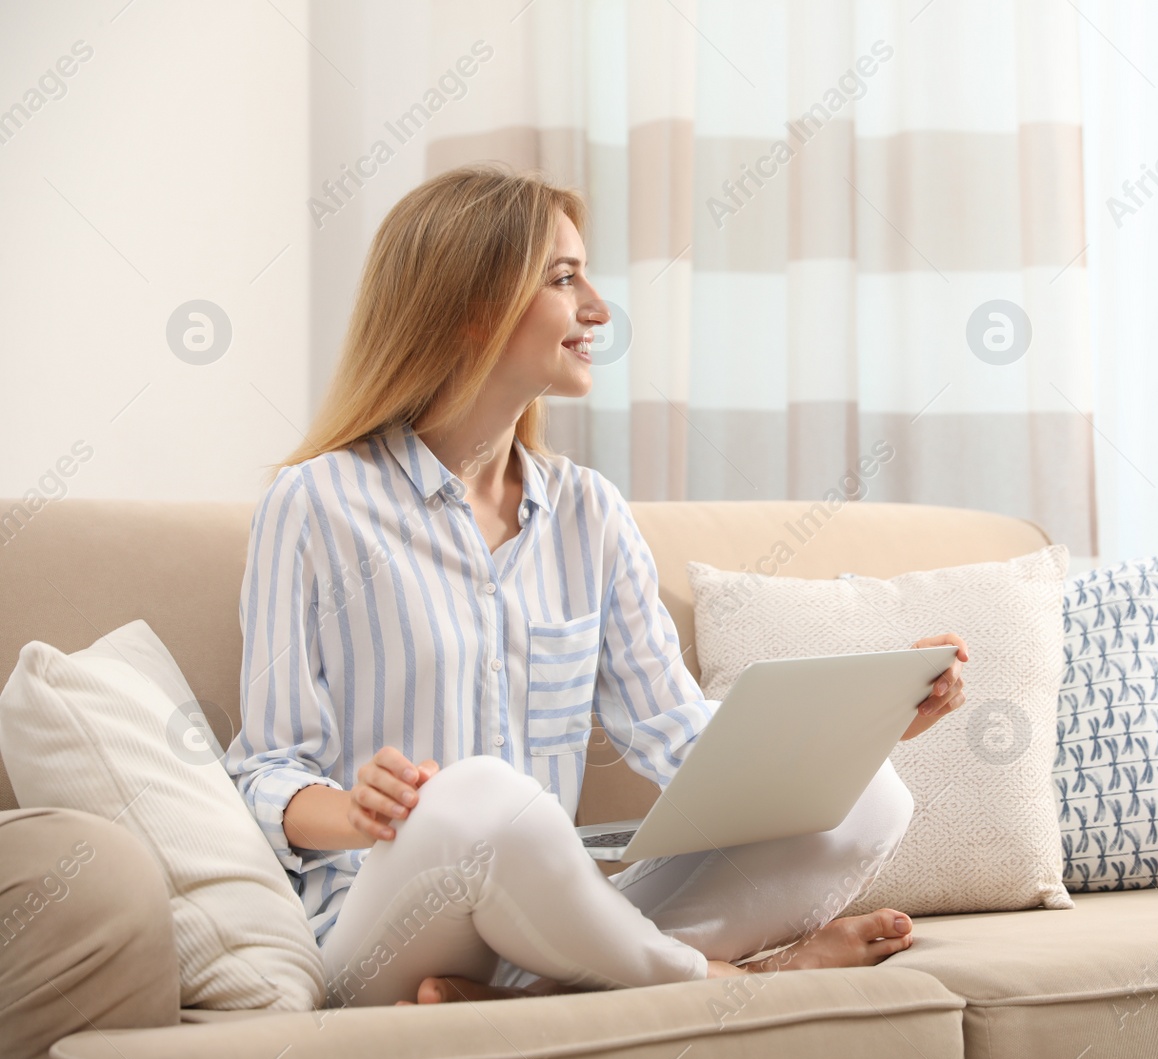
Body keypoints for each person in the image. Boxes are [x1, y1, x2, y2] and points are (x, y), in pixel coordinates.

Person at [223, 163, 970, 1007]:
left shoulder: (590, 514)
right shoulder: (315, 503)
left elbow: (684, 744)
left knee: (874, 798)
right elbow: (265, 770)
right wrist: (355, 810)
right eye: (565, 278)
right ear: (473, 304)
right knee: (478, 795)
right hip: (384, 918)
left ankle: (533, 992)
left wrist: (866, 725)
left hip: (553, 913)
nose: (598, 310)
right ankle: (730, 983)